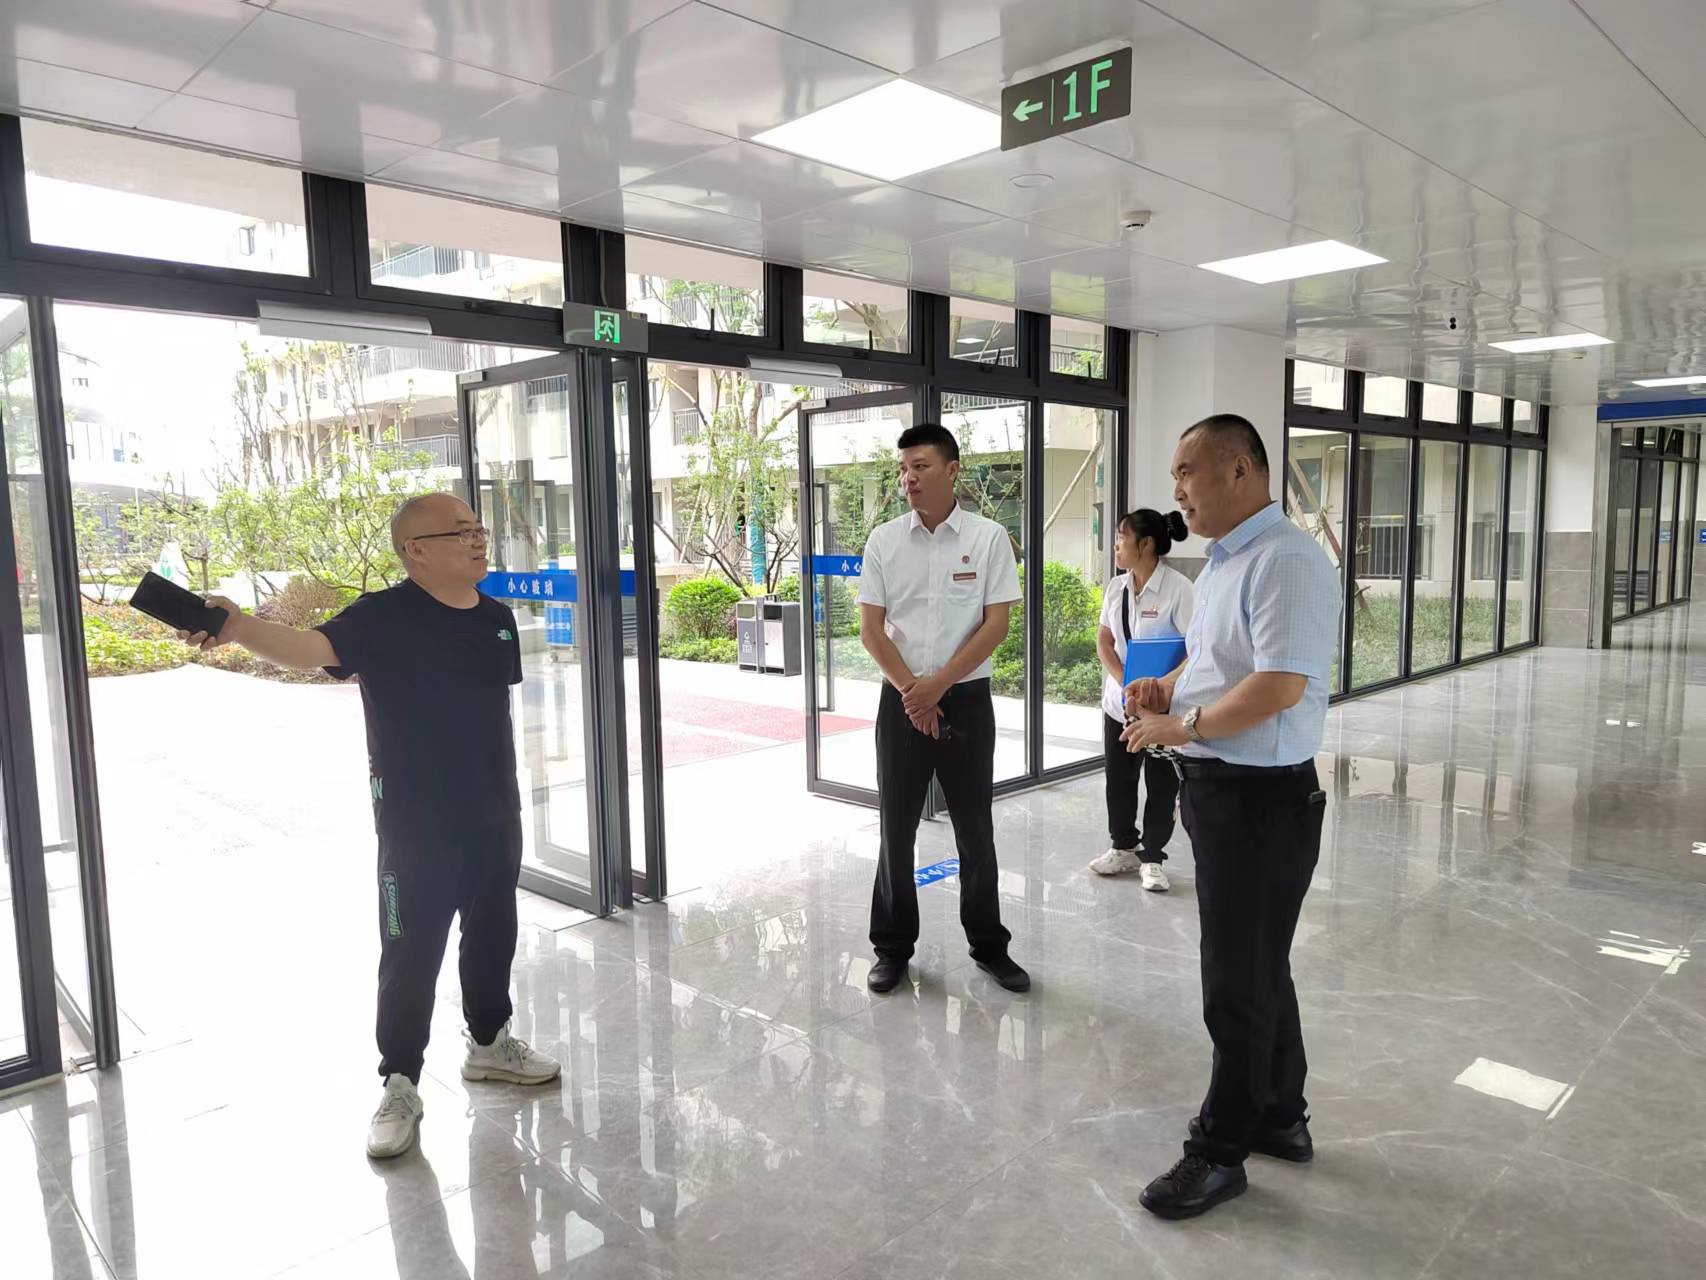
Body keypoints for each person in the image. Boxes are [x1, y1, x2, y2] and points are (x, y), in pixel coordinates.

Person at [181, 492, 560, 1160]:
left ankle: (489, 1043)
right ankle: (400, 1082)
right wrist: (237, 627)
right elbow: (307, 649)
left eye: (478, 528)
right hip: (416, 820)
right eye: (461, 532)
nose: (478, 539)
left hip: (494, 811)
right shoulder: (381, 616)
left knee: (493, 931)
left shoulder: (496, 618)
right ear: (416, 551)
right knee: (411, 951)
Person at [1120, 414, 1340, 1220]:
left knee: (1235, 981)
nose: (1177, 489)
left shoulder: (1285, 560)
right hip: (1224, 793)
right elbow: (1219, 659)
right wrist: (1169, 686)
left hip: (1262, 801)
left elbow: (1278, 684)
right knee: (1259, 966)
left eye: (1188, 471)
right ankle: (1279, 1115)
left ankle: (1219, 1151)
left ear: (1241, 469)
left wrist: (1183, 725)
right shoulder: (1224, 562)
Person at [856, 423, 1030, 996]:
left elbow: (996, 625)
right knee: (896, 829)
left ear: (952, 470)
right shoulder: (884, 541)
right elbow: (871, 631)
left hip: (967, 701)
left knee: (975, 831)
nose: (909, 478)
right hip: (901, 699)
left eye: (921, 466)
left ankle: (989, 947)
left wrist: (938, 686)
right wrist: (915, 692)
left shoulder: (988, 538)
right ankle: (891, 950)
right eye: (903, 468)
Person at [1088, 508, 1194, 890]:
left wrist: (1161, 685)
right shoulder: (1116, 588)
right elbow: (1104, 641)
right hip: (1119, 706)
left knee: (1161, 783)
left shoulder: (1179, 589)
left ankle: (1153, 858)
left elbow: (1196, 650)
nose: (1116, 544)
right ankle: (1123, 847)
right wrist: (1125, 683)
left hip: (1160, 711)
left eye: (1122, 537)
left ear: (1146, 544)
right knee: (1119, 779)